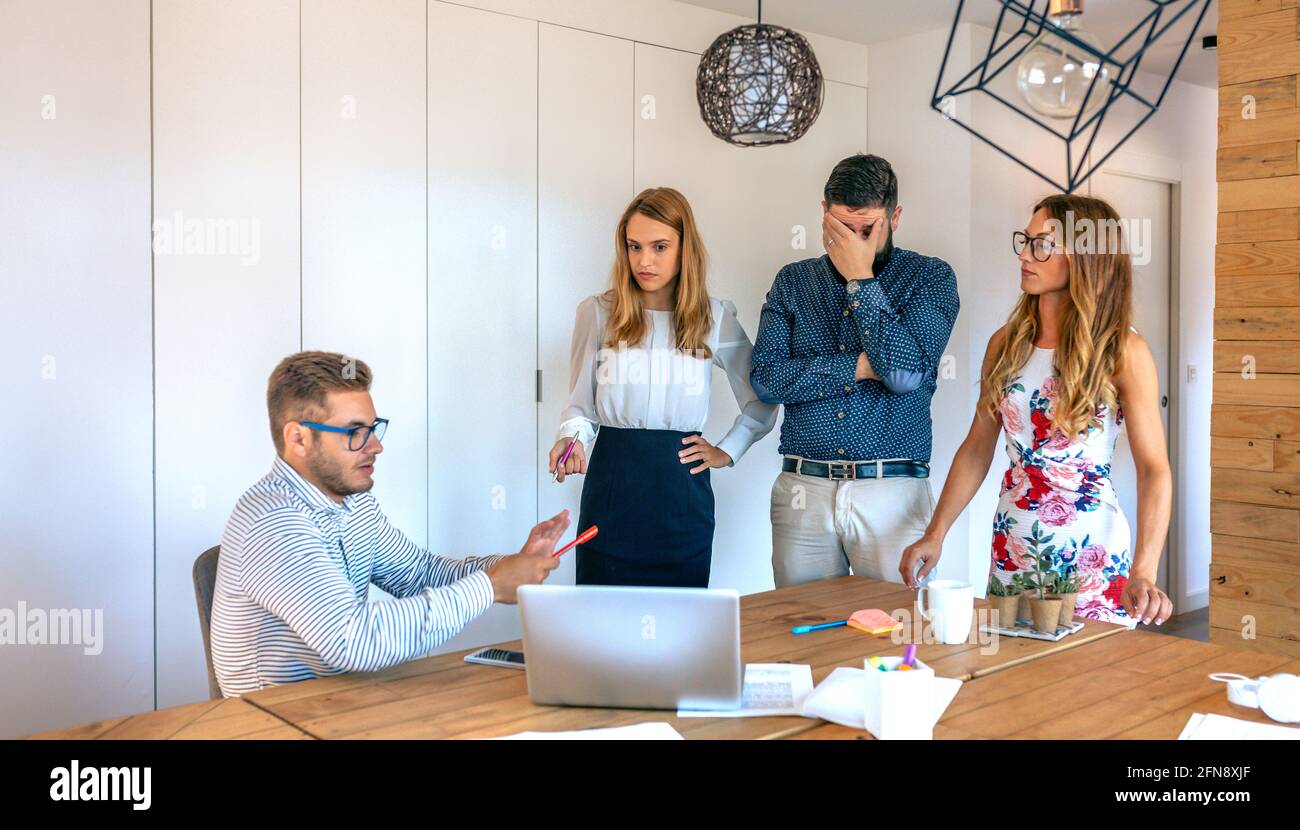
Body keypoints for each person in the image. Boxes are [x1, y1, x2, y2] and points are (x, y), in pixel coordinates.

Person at [211, 351, 569, 696]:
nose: (376, 446)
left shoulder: (355, 503)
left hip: (346, 704)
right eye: (355, 432)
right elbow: (353, 641)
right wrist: (490, 586)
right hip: (275, 722)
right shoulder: (272, 522)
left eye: (373, 428)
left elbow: (419, 574)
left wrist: (509, 567)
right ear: (298, 439)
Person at [899, 194, 1173, 626]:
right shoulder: (1005, 343)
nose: (1026, 255)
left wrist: (1144, 569)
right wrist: (936, 533)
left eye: (1043, 245)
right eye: (1025, 242)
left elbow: (1153, 469)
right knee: (1012, 682)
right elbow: (977, 447)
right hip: (1013, 547)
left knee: (1089, 685)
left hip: (1091, 557)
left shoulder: (1123, 350)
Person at [549, 186, 778, 587]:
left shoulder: (714, 317)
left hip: (681, 494)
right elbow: (580, 408)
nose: (644, 260)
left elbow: (762, 399)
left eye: (659, 247)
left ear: (684, 248)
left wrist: (728, 449)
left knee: (680, 626)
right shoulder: (599, 313)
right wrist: (572, 440)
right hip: (612, 485)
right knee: (601, 623)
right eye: (634, 247)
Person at [750, 153, 959, 588]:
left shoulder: (930, 278)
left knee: (897, 634)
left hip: (894, 493)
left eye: (867, 229)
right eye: (843, 228)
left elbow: (903, 375)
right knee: (801, 631)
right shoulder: (793, 281)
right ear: (824, 212)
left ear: (895, 216)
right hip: (803, 488)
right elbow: (768, 379)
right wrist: (861, 366)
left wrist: (861, 278)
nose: (854, 240)